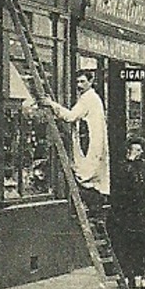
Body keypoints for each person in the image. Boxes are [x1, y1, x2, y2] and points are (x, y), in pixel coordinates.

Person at [43, 71, 109, 216]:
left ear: (91, 82)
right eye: (77, 82)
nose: (79, 85)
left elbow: (71, 116)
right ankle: (94, 208)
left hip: (89, 145)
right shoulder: (93, 98)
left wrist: (51, 104)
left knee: (84, 174)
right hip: (93, 145)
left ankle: (92, 207)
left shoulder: (88, 99)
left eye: (82, 82)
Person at [109, 136, 145, 289]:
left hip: (143, 210)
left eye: (140, 149)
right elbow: (117, 189)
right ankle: (131, 275)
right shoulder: (121, 167)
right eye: (135, 149)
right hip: (128, 211)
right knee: (129, 243)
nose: (138, 152)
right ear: (128, 150)